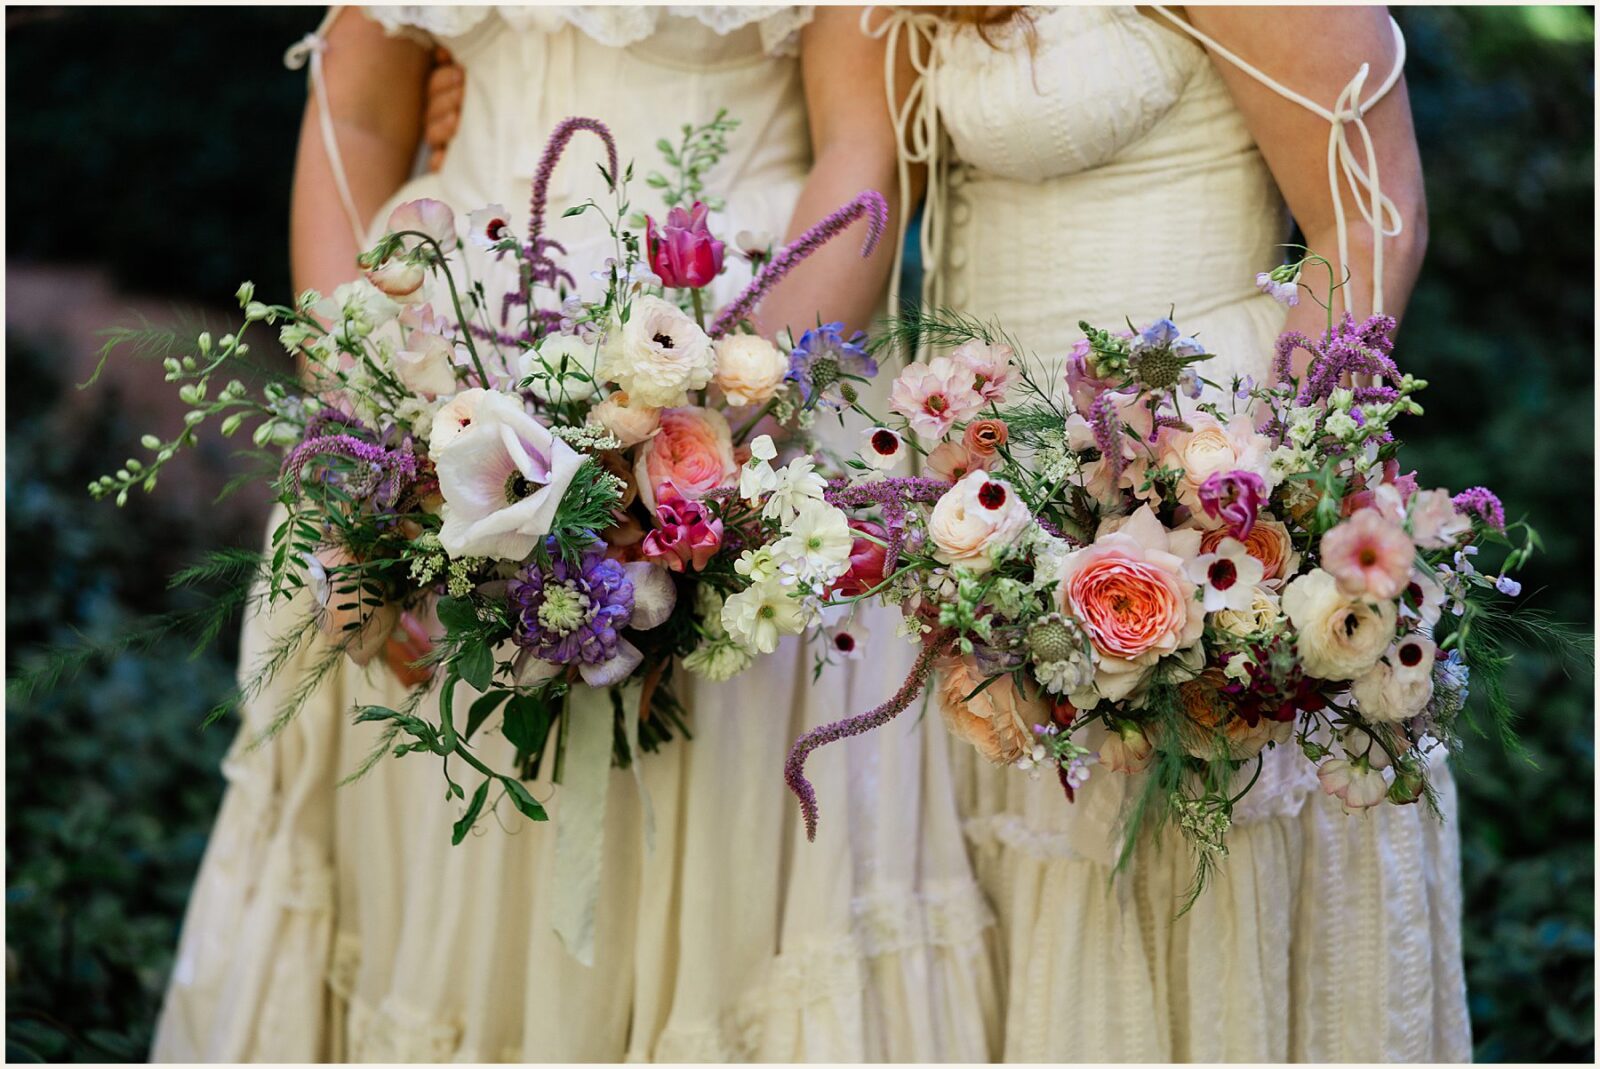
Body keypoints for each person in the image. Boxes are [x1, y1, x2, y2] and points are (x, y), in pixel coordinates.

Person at [153, 6, 1000, 1061]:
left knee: (725, 858)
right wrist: (367, 414)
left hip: (745, 378)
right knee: (436, 860)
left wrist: (704, 456)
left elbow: (862, 149)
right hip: (444, 390)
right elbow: (357, 120)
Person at [862, 4, 1469, 1060]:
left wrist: (1259, 499)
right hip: (986, 512)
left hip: (1201, 475)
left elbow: (1369, 221)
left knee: (1186, 895)